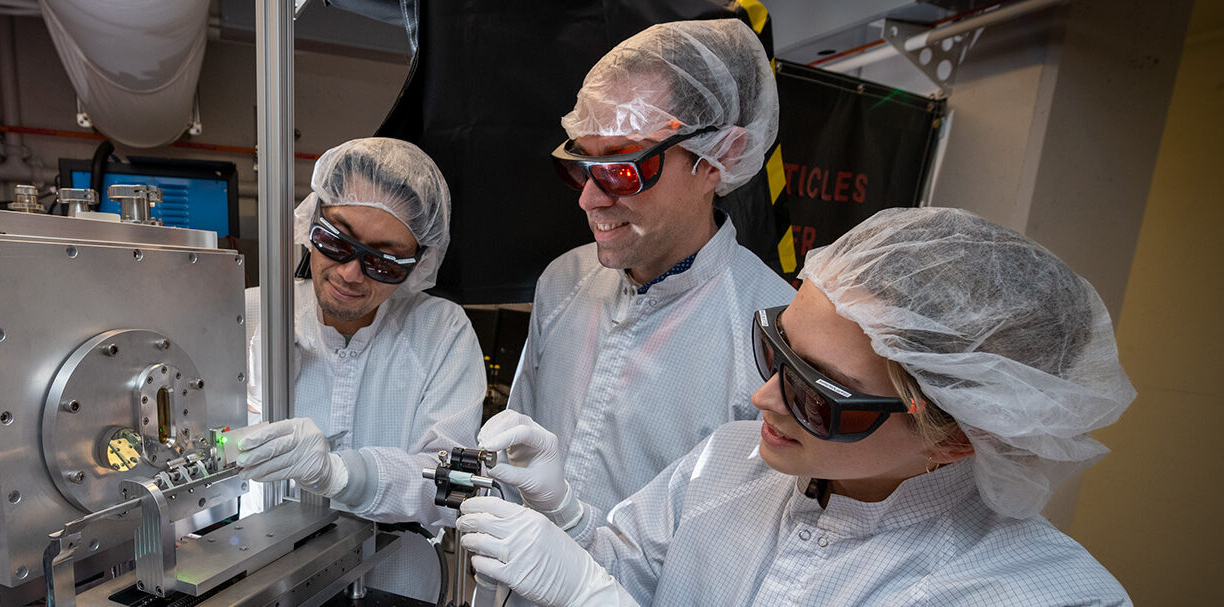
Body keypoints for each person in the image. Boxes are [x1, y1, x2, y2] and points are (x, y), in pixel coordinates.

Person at [458, 207, 1136, 606]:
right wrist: (571, 519)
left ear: (956, 436)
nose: (761, 398)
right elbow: (624, 566)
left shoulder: (1034, 591)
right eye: (775, 347)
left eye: (817, 392)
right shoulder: (733, 462)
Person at [496, 19, 793, 531]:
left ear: (721, 156)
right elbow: (517, 443)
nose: (590, 199)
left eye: (621, 168)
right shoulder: (565, 281)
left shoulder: (771, 332)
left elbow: (736, 539)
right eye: (581, 165)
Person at [236, 137, 485, 601]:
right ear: (308, 223)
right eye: (336, 242)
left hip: (397, 584)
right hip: (261, 579)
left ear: (418, 265)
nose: (351, 274)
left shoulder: (441, 333)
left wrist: (340, 475)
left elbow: (447, 484)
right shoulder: (249, 314)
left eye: (384, 262)